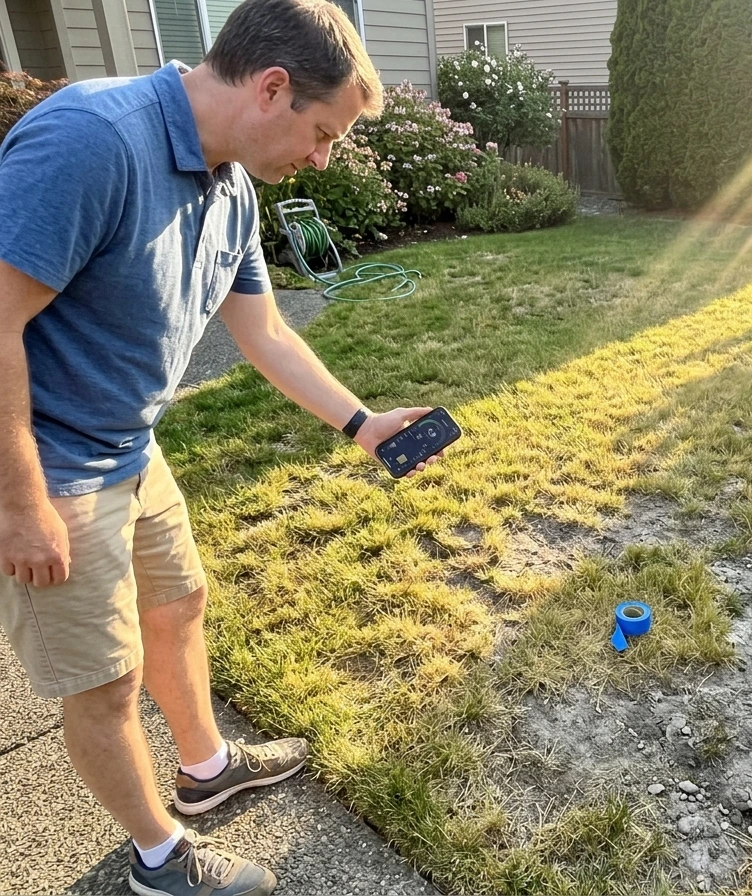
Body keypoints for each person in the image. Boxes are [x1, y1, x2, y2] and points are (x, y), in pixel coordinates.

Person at [0, 0, 439, 893]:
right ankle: (160, 859)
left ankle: (204, 771)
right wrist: (18, 502)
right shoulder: (92, 139)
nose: (322, 159)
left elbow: (266, 333)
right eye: (322, 134)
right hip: (48, 464)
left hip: (130, 441)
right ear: (272, 87)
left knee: (180, 603)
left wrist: (363, 424)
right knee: (103, 681)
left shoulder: (230, 185)